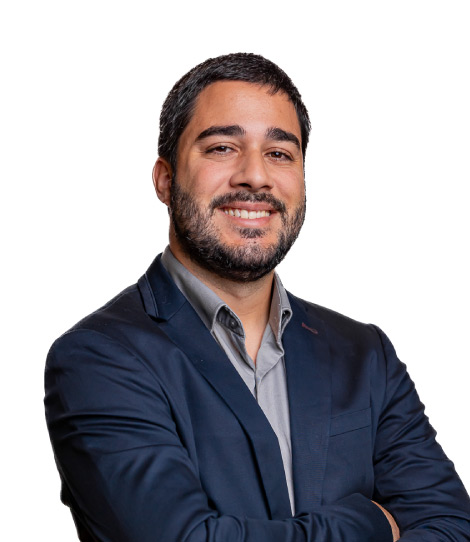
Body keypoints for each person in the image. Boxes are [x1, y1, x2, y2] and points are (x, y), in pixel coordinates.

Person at [44, 53, 470, 542]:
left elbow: (453, 526)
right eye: (222, 147)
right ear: (165, 179)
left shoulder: (364, 354)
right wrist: (371, 522)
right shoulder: (97, 358)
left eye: (280, 153)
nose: (255, 176)